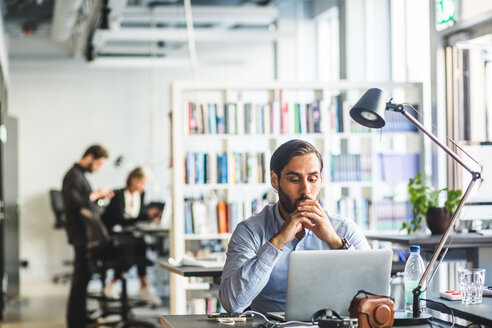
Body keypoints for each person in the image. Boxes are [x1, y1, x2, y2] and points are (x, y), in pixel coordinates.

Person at [219, 139, 369, 314]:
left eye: (312, 179)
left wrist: (336, 243)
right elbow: (232, 303)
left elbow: (372, 297)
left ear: (321, 179)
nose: (306, 190)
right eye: (295, 179)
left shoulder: (344, 229)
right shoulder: (250, 231)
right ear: (275, 180)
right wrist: (277, 243)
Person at [62, 145, 114, 328]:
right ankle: (75, 321)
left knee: (84, 278)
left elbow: (85, 203)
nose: (98, 168)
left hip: (84, 233)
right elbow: (75, 205)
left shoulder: (80, 176)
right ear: (90, 157)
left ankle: (81, 317)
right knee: (80, 278)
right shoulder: (73, 176)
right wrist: (95, 195)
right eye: (98, 163)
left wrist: (98, 198)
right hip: (80, 234)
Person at [101, 166, 162, 306]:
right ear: (134, 180)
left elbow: (138, 216)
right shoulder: (118, 195)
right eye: (142, 182)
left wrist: (150, 216)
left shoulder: (141, 195)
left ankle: (118, 283)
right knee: (136, 247)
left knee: (140, 244)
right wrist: (145, 215)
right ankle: (143, 286)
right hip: (113, 238)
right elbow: (120, 219)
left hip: (130, 237)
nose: (143, 186)